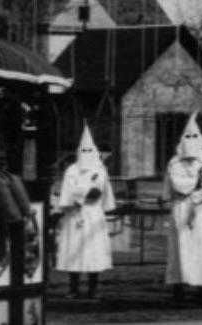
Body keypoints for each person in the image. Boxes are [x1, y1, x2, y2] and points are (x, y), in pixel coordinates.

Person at [162, 114, 202, 301]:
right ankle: (178, 289)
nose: (191, 141)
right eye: (187, 137)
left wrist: (198, 190)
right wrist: (197, 182)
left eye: (194, 136)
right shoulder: (175, 161)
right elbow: (177, 184)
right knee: (180, 248)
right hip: (181, 208)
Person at [53, 126, 115, 299]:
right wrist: (82, 194)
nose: (87, 153)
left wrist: (81, 192)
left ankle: (92, 289)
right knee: (74, 250)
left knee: (92, 251)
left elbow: (98, 190)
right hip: (74, 214)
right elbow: (68, 192)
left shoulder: (100, 170)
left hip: (93, 214)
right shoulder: (71, 171)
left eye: (90, 150)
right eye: (84, 150)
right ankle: (73, 288)